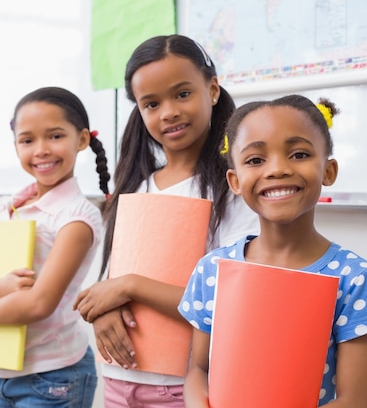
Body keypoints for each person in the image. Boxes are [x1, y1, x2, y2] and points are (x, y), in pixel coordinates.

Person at [73, 34, 259, 407]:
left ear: (213, 88)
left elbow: (230, 303)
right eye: (152, 103)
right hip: (118, 379)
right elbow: (105, 283)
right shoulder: (135, 186)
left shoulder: (234, 189)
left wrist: (131, 287)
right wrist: (104, 307)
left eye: (182, 94)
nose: (168, 112)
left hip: (186, 386)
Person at [179, 94, 367, 408]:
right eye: (255, 160)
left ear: (328, 171)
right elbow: (199, 370)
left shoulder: (355, 279)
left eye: (299, 154)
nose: (278, 169)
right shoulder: (212, 269)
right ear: (235, 180)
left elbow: (356, 401)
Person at [0, 86, 110, 408]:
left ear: (83, 140)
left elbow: (39, 304)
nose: (42, 149)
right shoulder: (4, 208)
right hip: (1, 372)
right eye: (27, 140)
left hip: (54, 376)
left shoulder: (77, 217)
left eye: (55, 136)